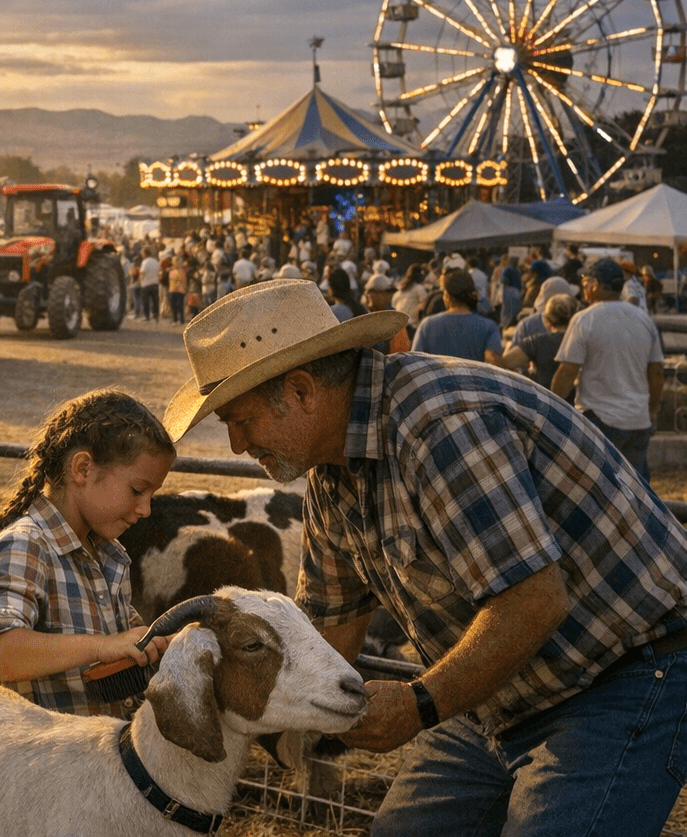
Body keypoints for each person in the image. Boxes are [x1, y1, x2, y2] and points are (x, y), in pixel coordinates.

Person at [164, 278, 687, 837]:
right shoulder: (332, 474)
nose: (238, 446)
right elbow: (326, 630)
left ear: (300, 391)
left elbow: (534, 599)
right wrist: (219, 679)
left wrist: (420, 704)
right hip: (501, 690)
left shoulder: (438, 424)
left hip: (624, 673)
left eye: (241, 421)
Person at [0, 388, 175, 717]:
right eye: (137, 490)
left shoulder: (108, 555)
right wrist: (104, 647)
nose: (146, 509)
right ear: (82, 469)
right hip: (42, 760)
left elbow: (123, 645)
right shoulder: (26, 546)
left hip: (95, 759)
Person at [551, 257, 664, 485]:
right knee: (638, 491)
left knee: (599, 491)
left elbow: (566, 373)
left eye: (585, 281)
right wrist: (651, 411)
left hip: (599, 419)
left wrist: (552, 407)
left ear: (596, 285)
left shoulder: (585, 319)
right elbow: (657, 373)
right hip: (638, 420)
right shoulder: (644, 320)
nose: (583, 286)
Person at [411, 268, 501, 364]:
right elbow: (493, 363)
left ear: (447, 296)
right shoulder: (489, 327)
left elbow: (413, 363)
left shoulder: (427, 325)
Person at [501, 293, 577, 391]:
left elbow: (506, 362)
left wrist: (509, 345)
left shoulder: (535, 342)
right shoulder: (582, 341)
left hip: (544, 399)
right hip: (577, 402)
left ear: (547, 321)